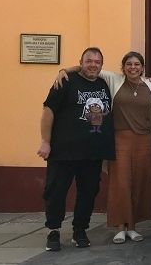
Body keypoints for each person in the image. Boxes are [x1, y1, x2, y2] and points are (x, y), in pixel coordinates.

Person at [55, 51, 151, 244]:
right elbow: (90, 68)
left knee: (139, 183)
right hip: (120, 140)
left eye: (137, 64)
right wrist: (64, 70)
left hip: (144, 141)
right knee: (121, 183)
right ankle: (120, 227)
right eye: (129, 64)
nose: (133, 68)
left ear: (142, 68)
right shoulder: (114, 80)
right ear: (123, 67)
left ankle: (133, 227)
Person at [39, 47, 115, 252]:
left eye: (97, 62)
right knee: (56, 192)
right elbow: (48, 111)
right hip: (64, 151)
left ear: (102, 64)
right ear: (80, 62)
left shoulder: (102, 84)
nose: (93, 65)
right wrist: (45, 141)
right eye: (88, 61)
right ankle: (53, 231)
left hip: (92, 152)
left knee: (89, 192)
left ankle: (80, 229)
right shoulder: (65, 81)